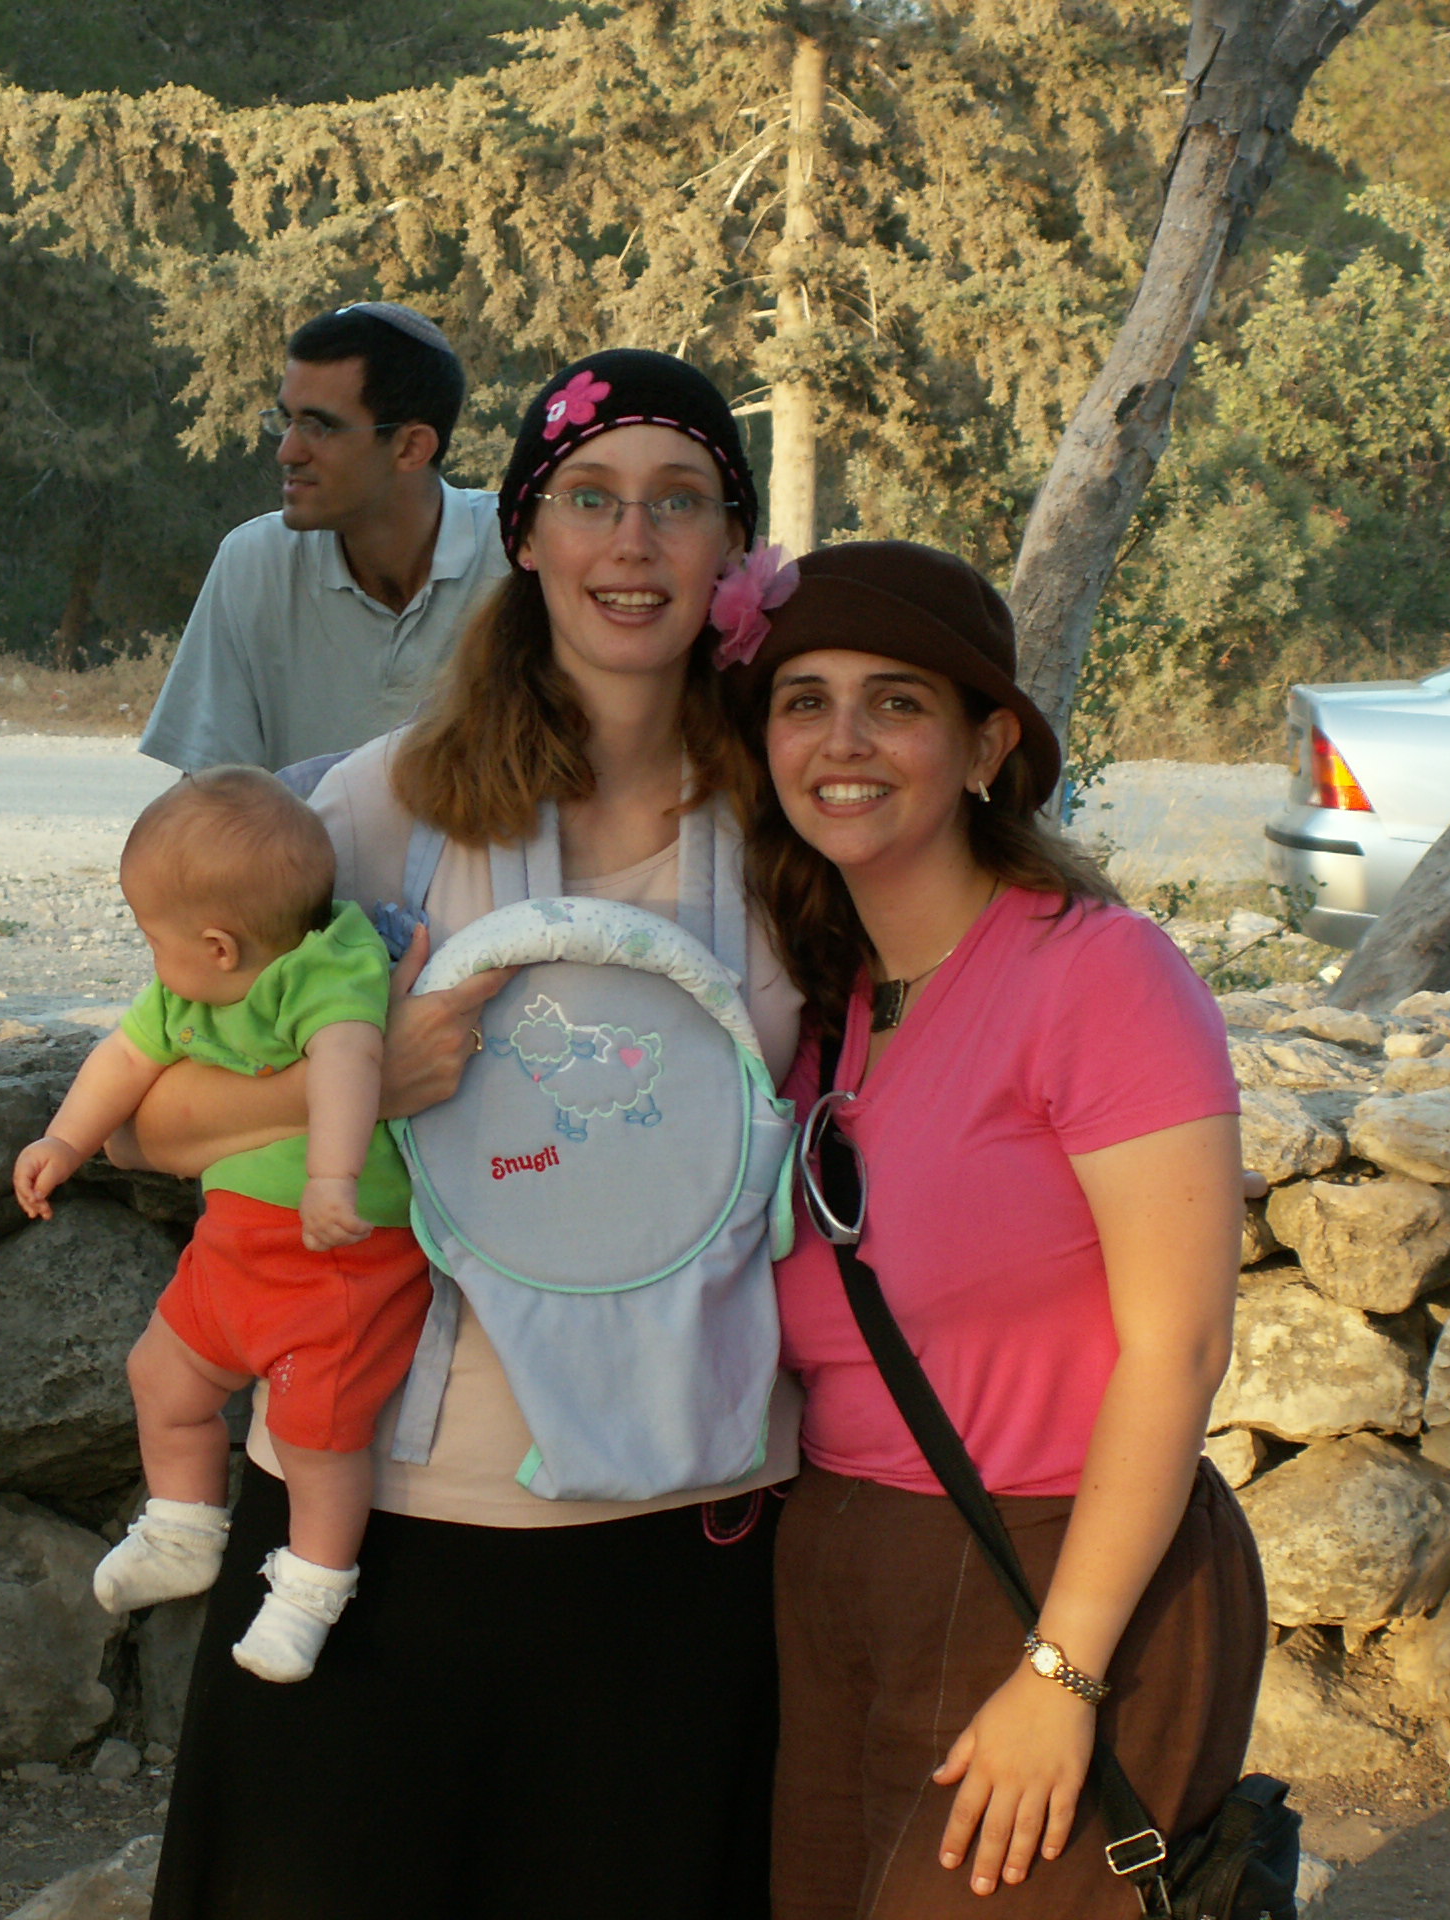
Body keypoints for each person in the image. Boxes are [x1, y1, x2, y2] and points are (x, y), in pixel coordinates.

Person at [123, 349, 802, 1918]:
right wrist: (354, 1086)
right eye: (592, 498)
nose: (632, 542)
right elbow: (152, 1116)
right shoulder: (381, 811)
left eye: (679, 502)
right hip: (382, 1518)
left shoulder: (793, 825)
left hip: (678, 1531)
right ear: (527, 534)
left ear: (732, 545)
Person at [725, 541, 1266, 1916]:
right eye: (804, 701)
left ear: (985, 747)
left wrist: (1063, 1672)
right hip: (836, 1568)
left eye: (897, 702)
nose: (843, 741)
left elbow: (1179, 1345)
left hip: (1053, 1568)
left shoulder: (1096, 975)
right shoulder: (823, 1005)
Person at [15, 769, 432, 1682]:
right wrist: (63, 1140)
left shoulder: (326, 973)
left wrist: (331, 1177)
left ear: (217, 945)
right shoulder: (190, 993)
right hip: (234, 1248)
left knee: (319, 1434)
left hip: (333, 1261)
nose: (149, 958)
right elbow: (124, 1060)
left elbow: (351, 1064)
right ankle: (182, 1529)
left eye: (151, 939)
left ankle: (312, 1588)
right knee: (160, 1374)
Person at [139, 302, 510, 784]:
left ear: (411, 447)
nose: (287, 451)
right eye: (286, 420)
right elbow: (215, 797)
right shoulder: (255, 563)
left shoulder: (522, 556)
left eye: (319, 427)